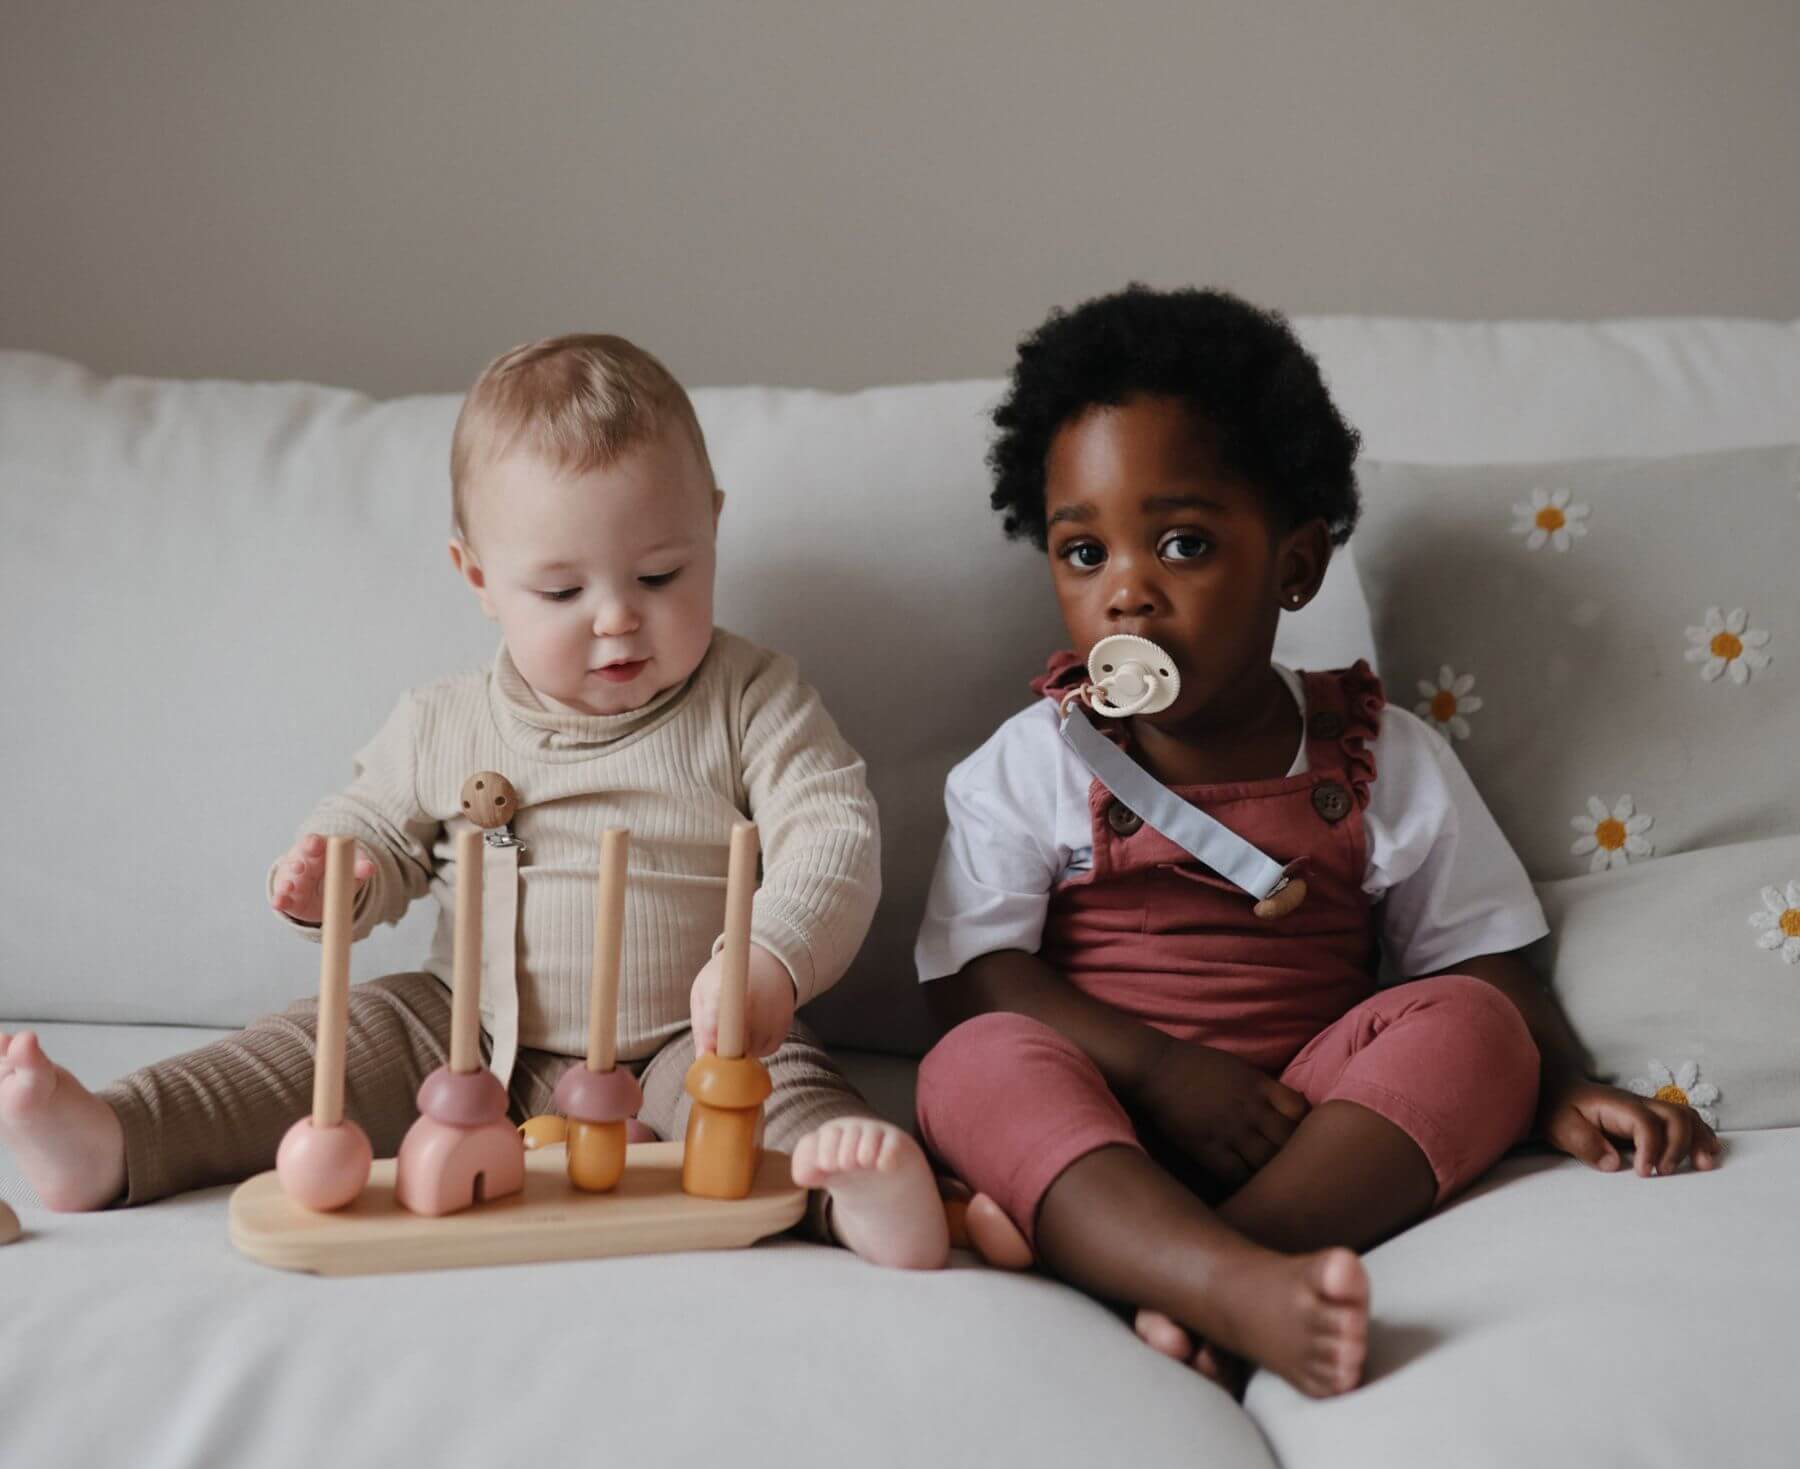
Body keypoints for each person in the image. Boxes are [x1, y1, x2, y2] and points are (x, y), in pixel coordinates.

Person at [913, 286, 1719, 1396]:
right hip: (1111, 1114)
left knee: (1482, 1028)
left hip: (1308, 1124)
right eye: (1083, 553)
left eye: (1183, 544)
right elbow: (973, 979)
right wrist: (1160, 1069)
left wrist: (1566, 1082)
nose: (1127, 596)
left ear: (1295, 566)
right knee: (973, 1063)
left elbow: (1476, 957)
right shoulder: (1036, 761)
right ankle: (1218, 1280)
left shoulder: (1381, 757)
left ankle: (1204, 1273)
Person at [1, 333, 949, 1269]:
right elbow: (374, 826)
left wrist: (769, 962)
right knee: (315, 1043)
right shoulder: (441, 721)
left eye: (661, 575)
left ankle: (853, 1199)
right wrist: (340, 870)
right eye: (562, 588)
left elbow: (832, 832)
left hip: (678, 1036)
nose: (618, 615)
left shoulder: (752, 699)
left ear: (713, 524)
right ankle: (118, 1137)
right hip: (462, 1023)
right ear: (479, 579)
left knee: (767, 1093)